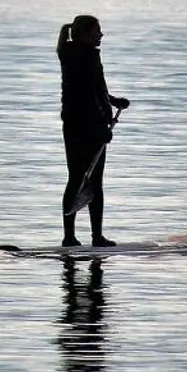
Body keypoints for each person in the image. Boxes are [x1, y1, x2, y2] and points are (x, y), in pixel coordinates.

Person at [56, 15, 129, 247]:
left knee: (76, 178)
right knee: (93, 181)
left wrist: (112, 100)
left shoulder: (74, 53)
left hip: (74, 124)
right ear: (84, 34)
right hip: (86, 126)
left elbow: (92, 90)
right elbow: (86, 97)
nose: (101, 35)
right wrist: (101, 128)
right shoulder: (83, 57)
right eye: (97, 31)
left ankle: (70, 237)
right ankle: (96, 237)